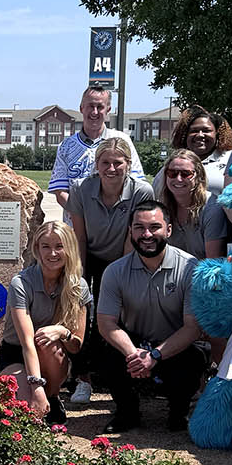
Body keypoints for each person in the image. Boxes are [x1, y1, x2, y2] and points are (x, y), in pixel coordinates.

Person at [94, 201, 208, 432]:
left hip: (174, 347)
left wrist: (155, 355)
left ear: (168, 230)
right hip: (135, 344)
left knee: (194, 359)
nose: (147, 234)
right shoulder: (115, 271)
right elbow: (106, 323)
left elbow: (192, 328)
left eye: (154, 227)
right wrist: (133, 354)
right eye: (139, 227)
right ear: (130, 231)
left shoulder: (190, 268)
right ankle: (127, 412)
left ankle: (178, 411)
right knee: (106, 354)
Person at [65, 137, 155, 405]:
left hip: (123, 257)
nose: (112, 168)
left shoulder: (141, 192)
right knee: (82, 313)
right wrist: (78, 277)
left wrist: (118, 278)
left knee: (113, 315)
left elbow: (134, 236)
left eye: (118, 163)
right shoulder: (81, 188)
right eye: (106, 162)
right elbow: (79, 238)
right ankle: (82, 378)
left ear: (128, 164)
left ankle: (118, 374)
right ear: (97, 164)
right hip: (89, 255)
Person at [0, 221, 89, 422]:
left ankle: (53, 397)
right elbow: (27, 342)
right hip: (16, 353)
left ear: (69, 248)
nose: (52, 253)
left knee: (49, 341)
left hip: (52, 354)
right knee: (24, 414)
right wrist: (36, 387)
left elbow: (76, 346)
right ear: (36, 249)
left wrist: (63, 332)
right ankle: (40, 395)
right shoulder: (21, 283)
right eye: (46, 246)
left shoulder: (78, 286)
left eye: (59, 246)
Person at [49, 85, 144, 209]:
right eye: (90, 106)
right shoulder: (65, 146)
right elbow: (60, 191)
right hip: (75, 225)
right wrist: (82, 215)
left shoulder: (123, 141)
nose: (94, 112)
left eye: (100, 107)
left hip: (115, 223)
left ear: (108, 110)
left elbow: (138, 183)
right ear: (81, 108)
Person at [156, 148, 228, 259]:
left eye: (186, 174)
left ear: (198, 176)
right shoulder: (161, 207)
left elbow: (213, 263)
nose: (178, 179)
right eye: (172, 173)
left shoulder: (212, 208)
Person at [153, 106, 232, 198]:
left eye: (206, 130)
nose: (200, 135)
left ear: (217, 134)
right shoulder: (174, 163)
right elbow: (156, 193)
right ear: (185, 135)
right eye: (194, 131)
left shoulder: (230, 159)